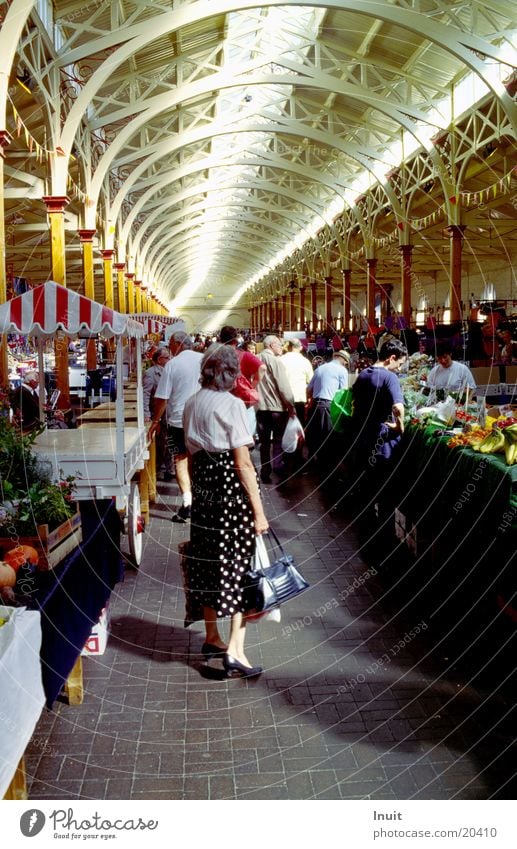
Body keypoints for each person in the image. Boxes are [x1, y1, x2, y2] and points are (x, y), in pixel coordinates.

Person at [183, 345, 268, 677]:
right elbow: (243, 462)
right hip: (231, 492)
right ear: (228, 374)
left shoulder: (192, 403)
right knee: (237, 568)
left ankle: (212, 636)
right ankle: (235, 651)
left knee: (206, 562)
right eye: (235, 373)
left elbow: (190, 454)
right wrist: (259, 512)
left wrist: (194, 491)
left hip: (204, 489)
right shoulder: (232, 406)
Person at [350, 338, 408, 519]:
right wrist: (400, 427)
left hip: (363, 437)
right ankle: (383, 529)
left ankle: (366, 521)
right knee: (385, 486)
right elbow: (398, 407)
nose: (399, 369)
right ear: (391, 358)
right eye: (399, 364)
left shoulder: (363, 374)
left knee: (367, 482)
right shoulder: (390, 377)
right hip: (382, 441)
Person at [150, 331, 203, 522]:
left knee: (180, 460)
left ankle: (187, 504)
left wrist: (155, 422)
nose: (169, 347)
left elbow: (162, 398)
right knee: (199, 461)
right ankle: (202, 503)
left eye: (171, 344)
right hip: (202, 421)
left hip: (177, 422)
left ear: (178, 344)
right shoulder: (205, 359)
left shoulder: (172, 365)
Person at [256, 335, 295, 483]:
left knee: (264, 441)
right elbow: (283, 386)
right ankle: (277, 466)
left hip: (260, 407)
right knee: (278, 439)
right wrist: (291, 405)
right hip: (277, 408)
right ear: (272, 345)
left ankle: (265, 469)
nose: (281, 347)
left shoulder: (256, 358)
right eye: (279, 344)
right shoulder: (275, 361)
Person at [305, 350, 350, 470]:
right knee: (328, 437)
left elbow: (309, 389)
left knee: (315, 435)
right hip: (328, 406)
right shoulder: (342, 370)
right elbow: (343, 393)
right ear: (344, 360)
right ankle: (326, 467)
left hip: (315, 405)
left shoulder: (320, 368)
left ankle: (312, 461)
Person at [219, 325, 265, 437]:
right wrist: (252, 386)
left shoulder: (215, 356)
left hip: (222, 401)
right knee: (245, 436)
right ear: (236, 340)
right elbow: (262, 368)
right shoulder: (245, 355)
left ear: (220, 340)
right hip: (243, 401)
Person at [143, 346, 172, 481]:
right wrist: (146, 413)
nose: (169, 359)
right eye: (167, 357)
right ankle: (159, 468)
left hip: (169, 412)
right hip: (157, 413)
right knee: (160, 442)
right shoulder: (151, 373)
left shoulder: (170, 371)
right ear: (159, 359)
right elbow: (146, 394)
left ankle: (169, 467)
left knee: (169, 440)